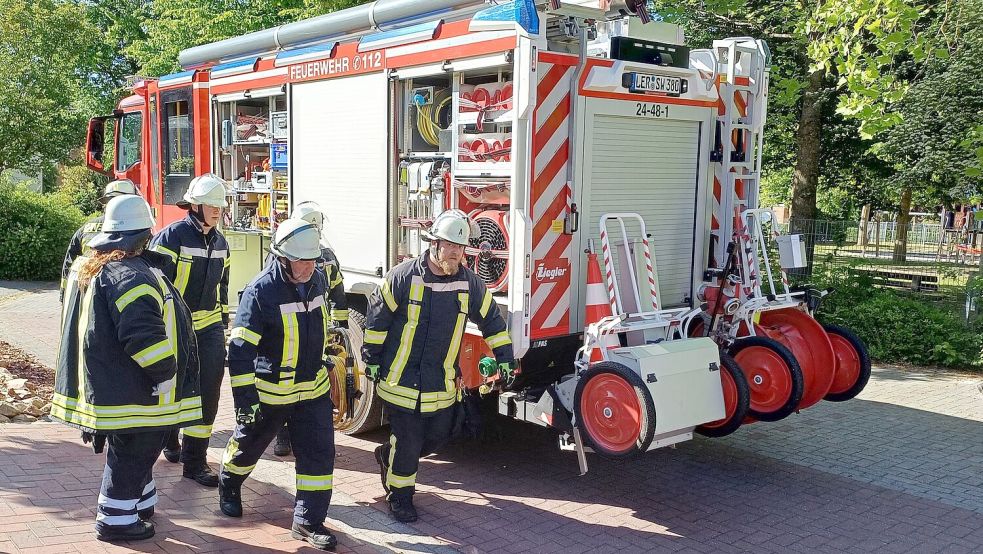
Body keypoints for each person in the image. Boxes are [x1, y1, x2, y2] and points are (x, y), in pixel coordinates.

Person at [53, 195, 201, 542]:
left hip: (118, 384)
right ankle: (117, 519)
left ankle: (140, 502)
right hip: (136, 390)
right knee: (135, 448)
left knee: (139, 447)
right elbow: (142, 336)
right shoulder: (129, 276)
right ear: (143, 235)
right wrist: (165, 373)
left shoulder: (105, 267)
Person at [362, 209, 516, 523]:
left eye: (460, 248)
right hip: (401, 378)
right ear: (434, 244)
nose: (455, 253)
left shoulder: (469, 283)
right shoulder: (403, 277)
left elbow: (492, 322)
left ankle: (387, 457)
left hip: (440, 381)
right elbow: (377, 321)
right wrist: (372, 359)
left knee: (438, 436)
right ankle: (400, 497)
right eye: (449, 246)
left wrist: (506, 358)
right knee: (409, 440)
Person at [219, 218, 338, 551]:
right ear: (282, 258)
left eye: (313, 259)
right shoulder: (261, 291)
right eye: (302, 260)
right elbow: (240, 351)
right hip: (271, 391)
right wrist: (245, 401)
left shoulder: (317, 279)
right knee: (249, 445)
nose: (309, 266)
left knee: (318, 455)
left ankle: (307, 521)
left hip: (312, 389)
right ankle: (229, 482)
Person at [148, 174, 230, 487]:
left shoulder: (221, 242)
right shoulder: (171, 237)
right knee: (172, 387)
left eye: (220, 206)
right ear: (194, 205)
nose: (216, 210)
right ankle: (169, 440)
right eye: (210, 205)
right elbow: (154, 284)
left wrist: (222, 325)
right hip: (175, 327)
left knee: (208, 393)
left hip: (208, 328)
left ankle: (195, 462)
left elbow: (222, 288)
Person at [270, 201, 349, 457]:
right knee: (287, 386)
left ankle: (308, 436)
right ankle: (284, 436)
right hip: (290, 330)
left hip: (315, 330)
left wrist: (339, 328)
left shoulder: (326, 257)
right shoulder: (283, 255)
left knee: (316, 385)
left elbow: (336, 290)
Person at [61, 179, 138, 301]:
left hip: (83, 291)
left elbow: (69, 264)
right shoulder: (134, 230)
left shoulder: (85, 228)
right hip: (117, 294)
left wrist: (64, 294)